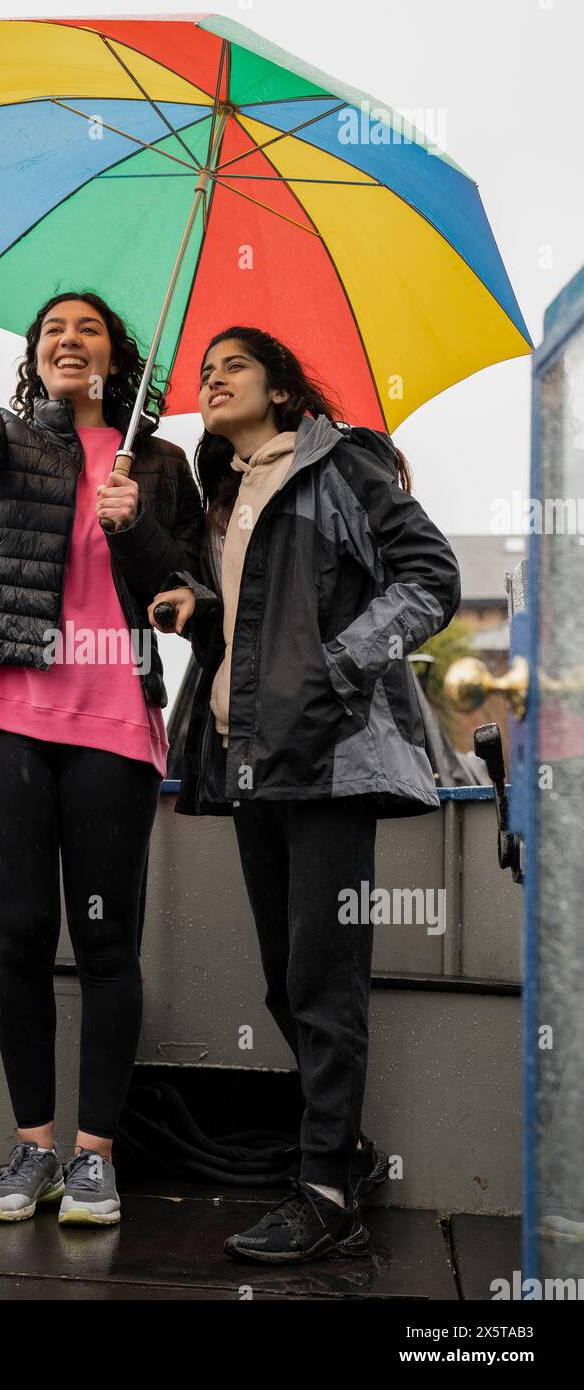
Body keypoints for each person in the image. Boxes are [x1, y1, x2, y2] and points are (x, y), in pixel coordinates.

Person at [0, 265, 204, 1226]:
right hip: (2, 709)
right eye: (53, 328)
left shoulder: (162, 465)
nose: (68, 338)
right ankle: (32, 1150)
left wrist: (136, 533)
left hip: (112, 721)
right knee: (17, 936)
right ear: (35, 355)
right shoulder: (10, 447)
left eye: (88, 329)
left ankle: (93, 1158)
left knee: (106, 945)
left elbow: (187, 596)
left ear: (114, 357)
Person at [149, 326, 461, 1263]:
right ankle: (344, 1154)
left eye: (232, 367)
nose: (212, 380)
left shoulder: (342, 465)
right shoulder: (228, 496)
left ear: (282, 391)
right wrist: (198, 609)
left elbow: (430, 579)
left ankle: (324, 1189)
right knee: (287, 981)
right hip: (252, 757)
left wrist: (330, 669)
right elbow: (250, 626)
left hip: (328, 754)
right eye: (204, 372)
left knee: (323, 981)